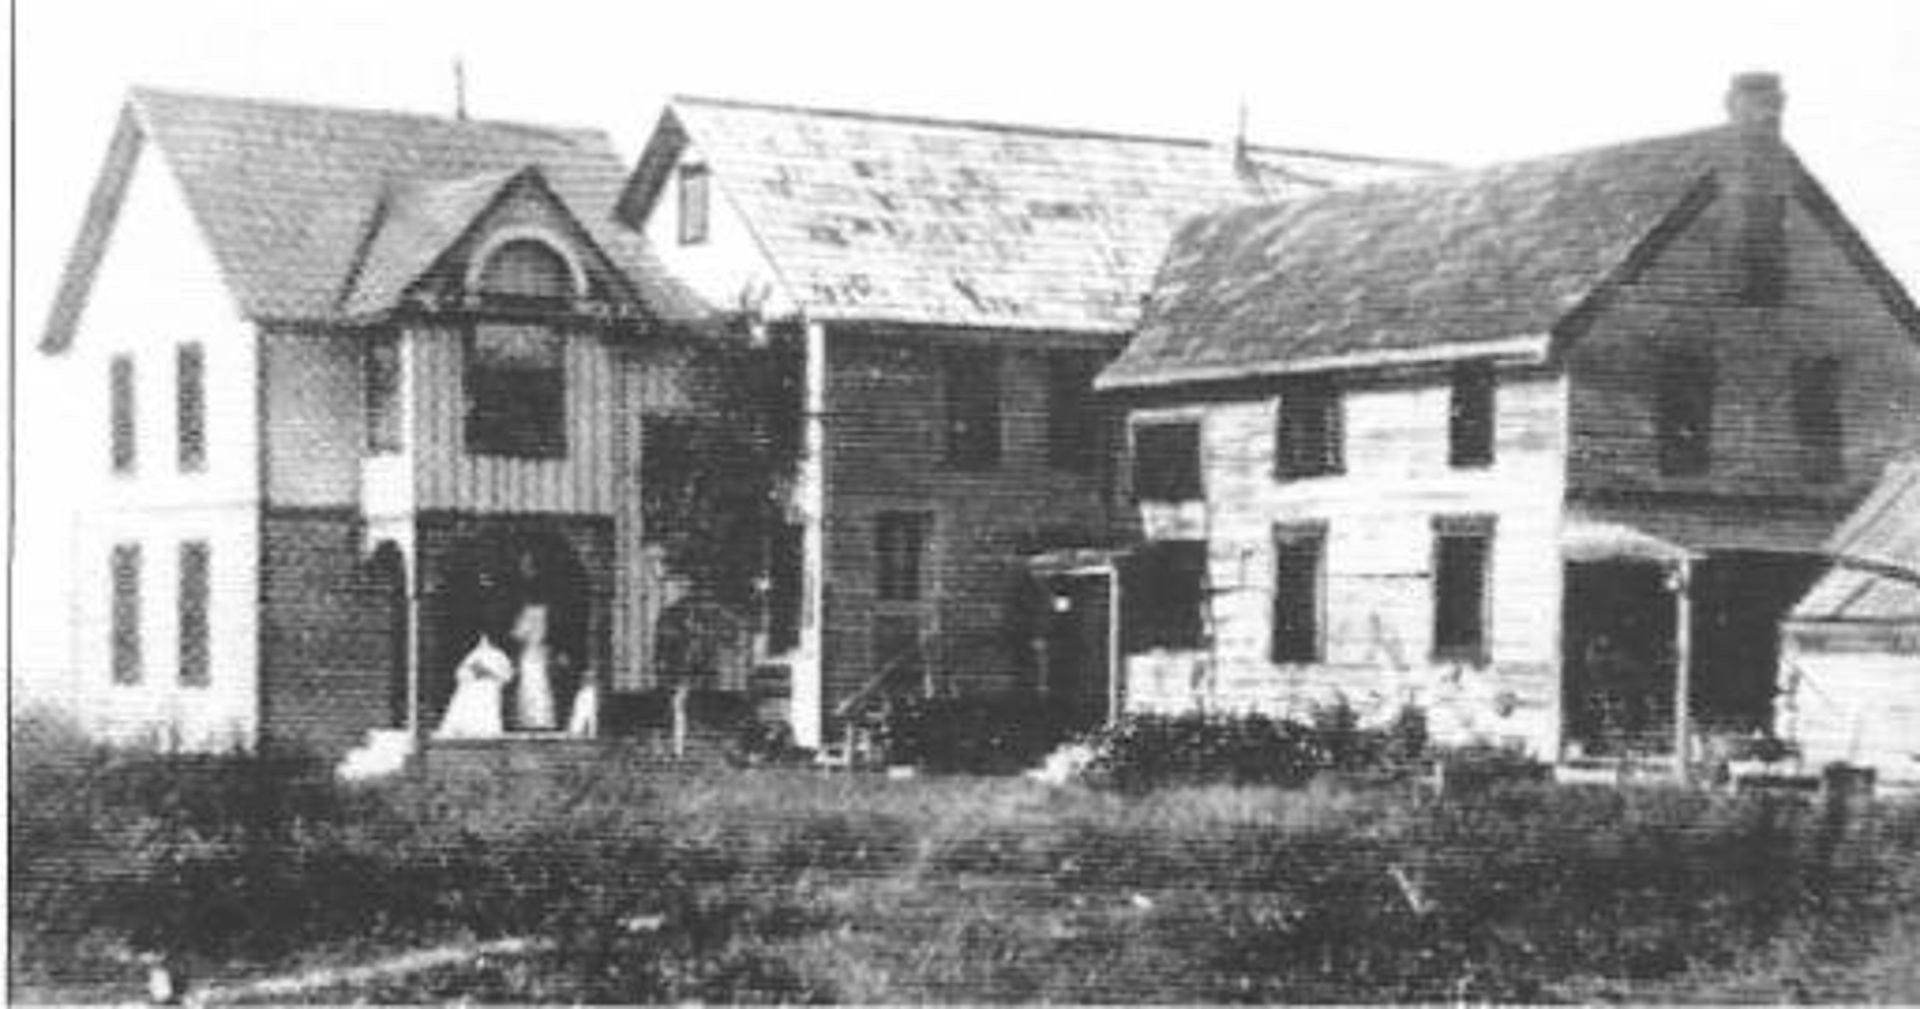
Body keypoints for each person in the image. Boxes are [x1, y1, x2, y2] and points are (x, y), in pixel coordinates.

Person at [435, 631, 514, 738]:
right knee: (466, 693)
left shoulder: (500, 655)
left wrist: (489, 673)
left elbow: (506, 675)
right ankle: (464, 727)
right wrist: (473, 673)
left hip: (489, 684)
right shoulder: (474, 654)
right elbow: (461, 672)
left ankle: (482, 729)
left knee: (485, 691)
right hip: (472, 683)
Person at [511, 603, 558, 731]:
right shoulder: (544, 613)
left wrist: (519, 630)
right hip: (539, 652)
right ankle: (540, 719)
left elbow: (518, 634)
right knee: (539, 686)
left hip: (531, 653)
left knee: (531, 685)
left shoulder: (530, 613)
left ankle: (532, 720)